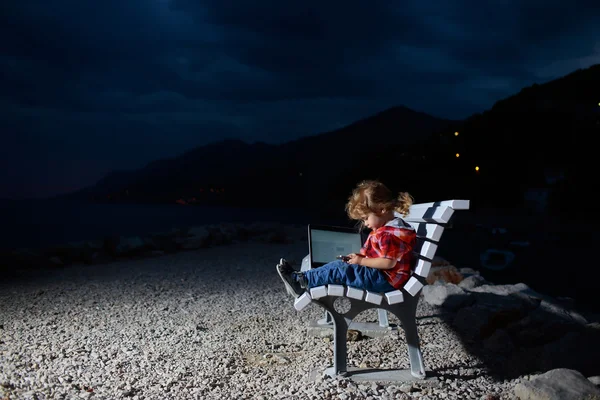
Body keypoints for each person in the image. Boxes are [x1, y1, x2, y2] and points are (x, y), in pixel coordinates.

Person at [277, 179, 416, 298]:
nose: (365, 224)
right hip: (382, 277)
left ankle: (300, 280)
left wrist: (361, 261)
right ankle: (300, 278)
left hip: (385, 280)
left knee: (342, 270)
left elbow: (388, 263)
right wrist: (360, 257)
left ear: (382, 209)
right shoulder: (389, 229)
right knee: (340, 266)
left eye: (366, 218)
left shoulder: (388, 235)